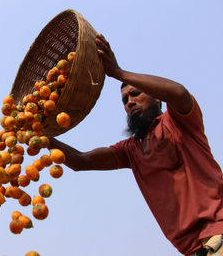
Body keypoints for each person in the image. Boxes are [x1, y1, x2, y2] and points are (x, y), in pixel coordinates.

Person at [48, 34, 223, 256]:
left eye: (136, 94)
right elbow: (80, 161)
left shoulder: (179, 123)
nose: (130, 102)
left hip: (218, 233)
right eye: (124, 100)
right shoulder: (131, 149)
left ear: (157, 99)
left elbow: (179, 93)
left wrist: (118, 73)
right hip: (194, 251)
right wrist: (41, 135)